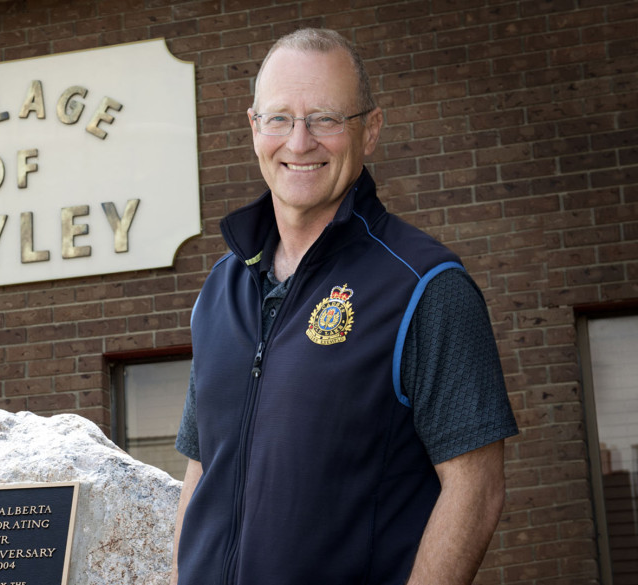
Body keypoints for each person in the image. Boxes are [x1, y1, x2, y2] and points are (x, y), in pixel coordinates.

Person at [170, 28, 518, 585]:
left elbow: (476, 489)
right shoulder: (221, 288)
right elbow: (201, 470)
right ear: (254, 127)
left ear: (370, 130)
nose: (300, 141)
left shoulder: (425, 286)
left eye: (326, 118)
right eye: (280, 118)